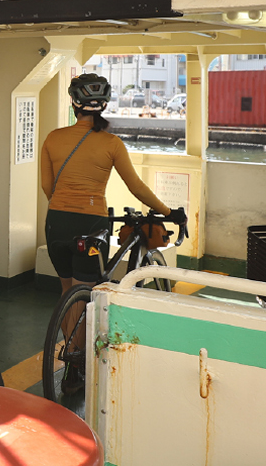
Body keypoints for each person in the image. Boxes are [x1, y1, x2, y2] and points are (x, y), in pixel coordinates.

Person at [41, 73, 182, 390]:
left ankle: (70, 352)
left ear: (74, 104)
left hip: (56, 221)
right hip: (89, 224)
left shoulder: (52, 138)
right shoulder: (111, 143)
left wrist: (64, 205)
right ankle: (77, 360)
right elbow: (136, 188)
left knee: (67, 291)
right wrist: (169, 212)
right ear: (103, 105)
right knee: (86, 291)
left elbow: (47, 187)